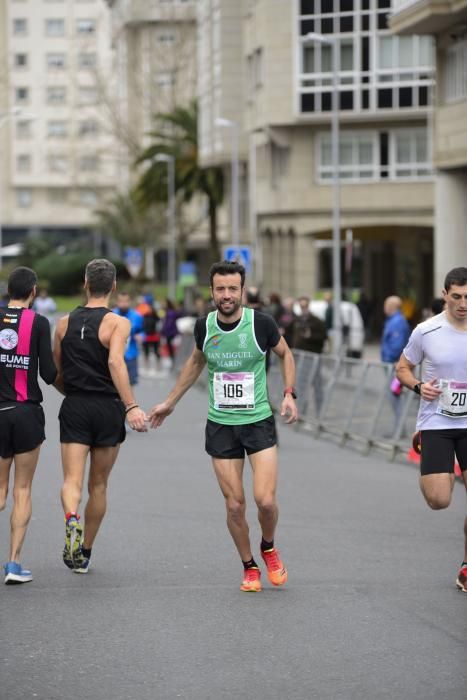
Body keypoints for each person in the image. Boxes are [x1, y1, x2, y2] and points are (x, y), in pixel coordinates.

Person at [148, 260, 298, 592]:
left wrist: (289, 394)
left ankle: (268, 546)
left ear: (242, 291)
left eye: (232, 289)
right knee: (234, 504)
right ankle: (249, 566)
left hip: (258, 421)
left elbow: (286, 355)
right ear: (212, 292)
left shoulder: (261, 324)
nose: (226, 295)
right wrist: (170, 403)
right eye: (220, 289)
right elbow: (196, 362)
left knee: (266, 501)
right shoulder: (204, 327)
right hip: (221, 425)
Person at [53, 259, 147, 574]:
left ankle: (71, 520)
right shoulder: (118, 323)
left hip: (76, 405)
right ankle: (84, 552)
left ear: (85, 283)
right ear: (114, 286)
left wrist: (71, 390)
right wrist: (131, 405)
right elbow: (116, 363)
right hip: (107, 407)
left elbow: (56, 372)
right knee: (99, 486)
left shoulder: (64, 323)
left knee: (71, 481)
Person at [396, 267, 467, 594]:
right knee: (439, 500)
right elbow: (403, 367)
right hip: (437, 422)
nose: (463, 303)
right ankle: (432, 464)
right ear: (445, 295)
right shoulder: (427, 331)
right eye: (457, 296)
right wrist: (417, 386)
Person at [0, 267, 57, 584]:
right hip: (25, 414)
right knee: (22, 490)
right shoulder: (38, 322)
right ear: (33, 292)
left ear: (9, 291)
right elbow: (48, 374)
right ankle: (13, 564)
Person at [381, 295, 411, 437]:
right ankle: (399, 429)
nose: (384, 307)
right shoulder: (394, 320)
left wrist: (390, 359)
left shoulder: (397, 322)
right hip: (392, 365)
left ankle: (400, 430)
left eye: (386, 304)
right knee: (395, 396)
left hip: (395, 367)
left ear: (392, 306)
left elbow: (396, 345)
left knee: (395, 396)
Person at [113, 291, 144, 385]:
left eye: (126, 301)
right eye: (121, 301)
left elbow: (142, 331)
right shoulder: (111, 315)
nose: (123, 304)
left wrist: (141, 336)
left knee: (130, 384)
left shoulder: (137, 316)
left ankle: (128, 400)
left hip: (131, 354)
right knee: (115, 384)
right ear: (117, 302)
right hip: (114, 355)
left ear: (130, 302)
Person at [136, 294, 161, 377]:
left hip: (154, 336)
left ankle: (158, 366)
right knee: (146, 352)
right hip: (146, 336)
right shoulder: (144, 316)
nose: (149, 309)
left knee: (156, 352)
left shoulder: (156, 316)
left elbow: (159, 324)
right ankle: (146, 366)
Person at [160, 299, 179, 369]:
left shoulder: (170, 313)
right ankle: (173, 362)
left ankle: (174, 362)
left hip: (171, 333)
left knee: (172, 348)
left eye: (163, 303)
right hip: (170, 333)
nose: (162, 305)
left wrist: (163, 331)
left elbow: (168, 324)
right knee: (170, 348)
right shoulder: (168, 312)